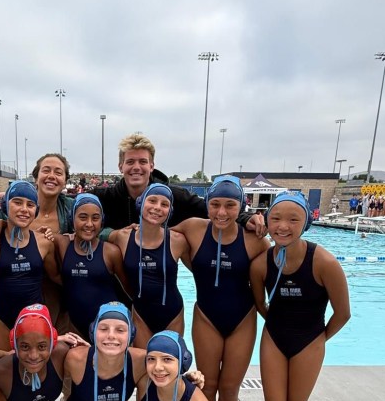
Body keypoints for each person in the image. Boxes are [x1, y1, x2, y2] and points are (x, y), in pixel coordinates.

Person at [248, 192, 350, 401]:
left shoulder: (324, 262)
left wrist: (317, 340)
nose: (283, 226)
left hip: (310, 340)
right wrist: (278, 324)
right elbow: (260, 305)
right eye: (277, 218)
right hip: (275, 338)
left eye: (294, 219)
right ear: (267, 220)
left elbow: (342, 313)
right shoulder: (260, 264)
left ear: (306, 222)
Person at [172, 175, 270, 401]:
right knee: (208, 386)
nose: (222, 212)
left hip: (242, 319)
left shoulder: (254, 239)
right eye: (215, 204)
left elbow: (277, 272)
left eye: (230, 205)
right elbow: (157, 238)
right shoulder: (192, 228)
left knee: (229, 390)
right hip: (207, 318)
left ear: (241, 205)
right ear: (207, 204)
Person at [91, 133, 266, 237]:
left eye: (142, 161)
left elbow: (212, 209)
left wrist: (245, 218)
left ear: (151, 166)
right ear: (121, 166)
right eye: (130, 161)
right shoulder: (103, 198)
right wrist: (110, 234)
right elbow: (72, 209)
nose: (136, 167)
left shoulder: (175, 197)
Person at [0, 181, 59, 350]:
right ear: (6, 205)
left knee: (35, 369)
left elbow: (57, 277)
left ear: (35, 210)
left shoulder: (44, 243)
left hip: (35, 318)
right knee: (2, 370)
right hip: (2, 318)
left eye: (30, 204)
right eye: (17, 202)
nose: (24, 209)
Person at [108, 183, 189, 347]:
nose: (157, 208)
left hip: (172, 314)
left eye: (164, 204)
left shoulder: (178, 241)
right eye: (152, 201)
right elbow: (95, 237)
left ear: (169, 211)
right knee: (142, 366)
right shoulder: (122, 237)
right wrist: (71, 236)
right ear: (140, 203)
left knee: (170, 366)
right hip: (140, 313)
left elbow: (199, 269)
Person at [53, 193, 131, 337]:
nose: (89, 224)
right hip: (75, 328)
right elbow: (34, 237)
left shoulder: (110, 252)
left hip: (108, 329)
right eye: (83, 217)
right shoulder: (62, 244)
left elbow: (128, 290)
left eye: (95, 218)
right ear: (72, 219)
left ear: (102, 221)